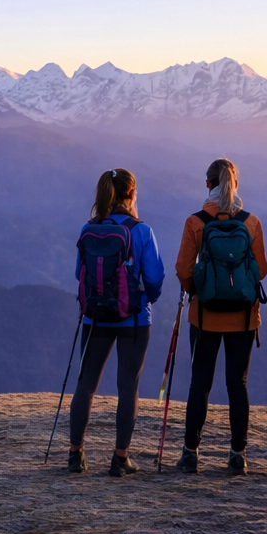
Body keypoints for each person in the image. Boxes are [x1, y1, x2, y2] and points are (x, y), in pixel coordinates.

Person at [172, 158, 267, 475]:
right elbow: (261, 270)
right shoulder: (250, 222)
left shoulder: (196, 222)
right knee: (237, 385)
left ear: (208, 184)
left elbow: (183, 269)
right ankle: (238, 455)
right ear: (235, 184)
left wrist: (197, 291)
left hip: (204, 317)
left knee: (199, 383)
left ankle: (190, 453)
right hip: (242, 318)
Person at [67, 168, 166, 477]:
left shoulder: (89, 228)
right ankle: (119, 459)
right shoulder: (141, 231)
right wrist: (144, 298)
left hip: (95, 318)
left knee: (85, 385)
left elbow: (78, 274)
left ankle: (75, 455)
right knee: (128, 387)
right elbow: (155, 277)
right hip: (134, 320)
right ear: (132, 194)